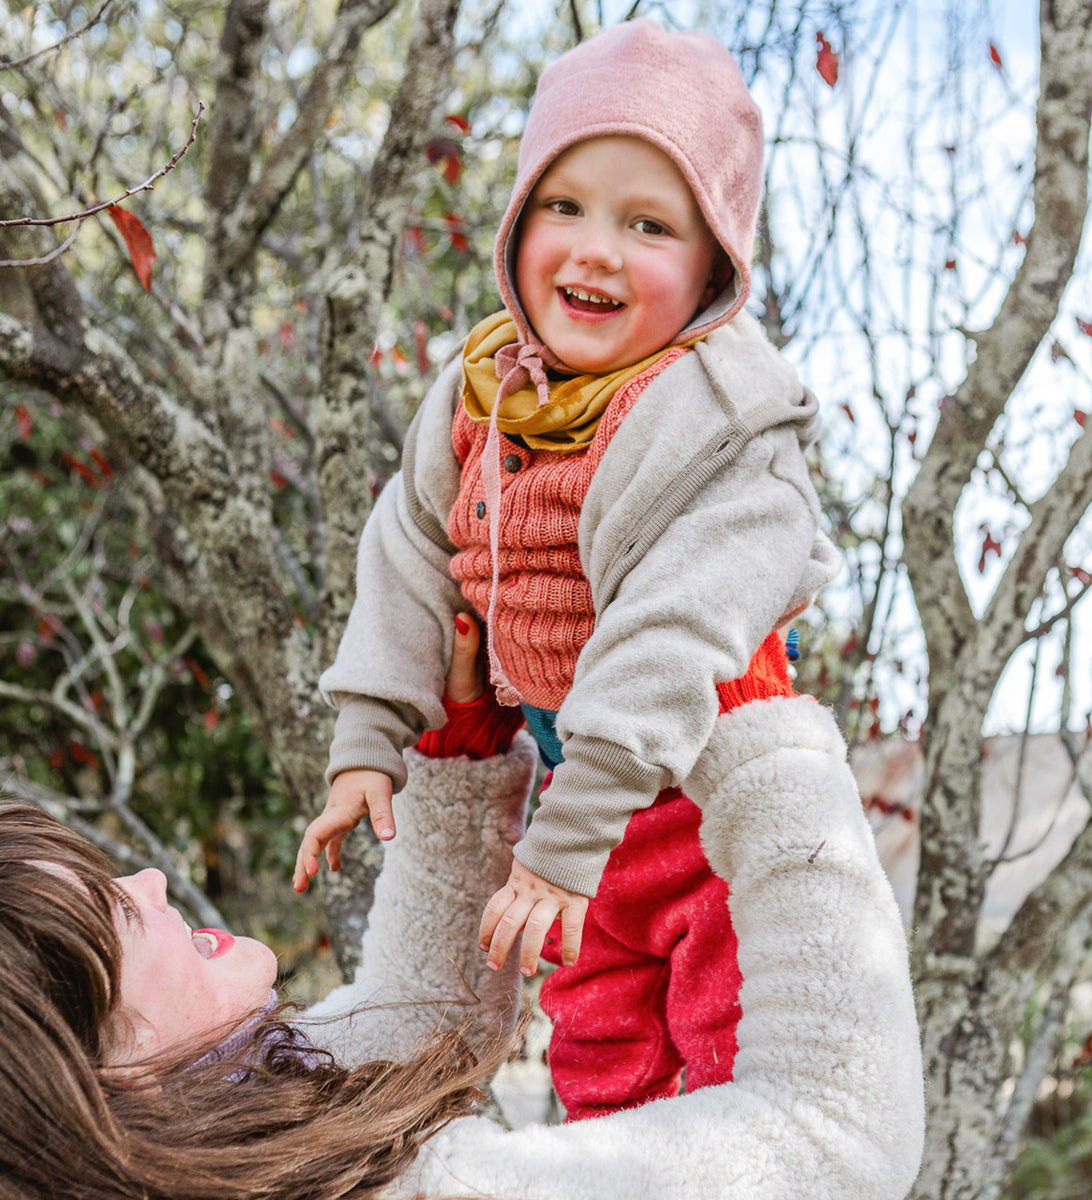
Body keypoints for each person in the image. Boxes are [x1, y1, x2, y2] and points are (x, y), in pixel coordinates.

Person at [295, 17, 842, 1119]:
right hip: (569, 787)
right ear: (516, 224)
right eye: (566, 205)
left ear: (711, 274)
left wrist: (569, 838)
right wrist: (370, 736)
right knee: (595, 1041)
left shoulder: (722, 421)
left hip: (703, 794)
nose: (595, 248)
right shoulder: (480, 391)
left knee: (730, 1046)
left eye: (648, 225)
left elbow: (673, 630)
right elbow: (408, 552)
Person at [0, 617, 924, 1199]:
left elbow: (415, 1012)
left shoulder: (232, 1123)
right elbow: (834, 1142)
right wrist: (757, 738)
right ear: (99, 1083)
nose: (151, 883)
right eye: (118, 917)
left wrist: (454, 762)